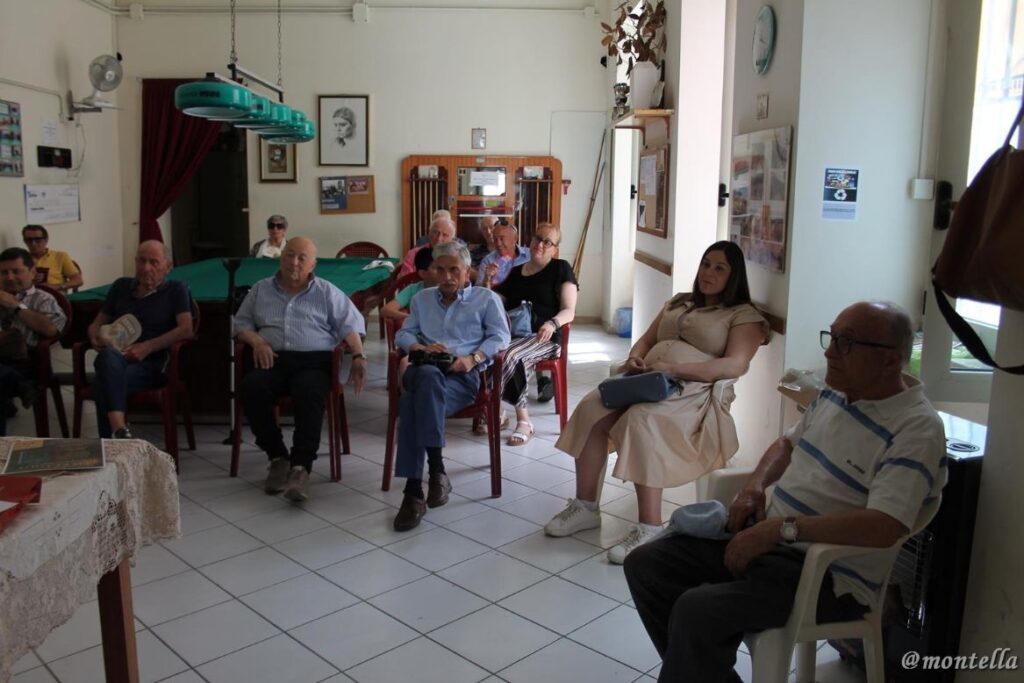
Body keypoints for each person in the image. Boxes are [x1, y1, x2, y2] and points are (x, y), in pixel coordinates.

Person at [624, 301, 946, 683]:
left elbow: (884, 526)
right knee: (647, 564)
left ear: (890, 361)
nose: (829, 351)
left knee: (698, 610)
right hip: (772, 542)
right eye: (832, 337)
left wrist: (782, 530)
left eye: (846, 343)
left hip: (829, 576)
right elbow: (787, 444)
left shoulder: (916, 430)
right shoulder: (836, 393)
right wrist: (753, 488)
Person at [544, 241, 770, 564]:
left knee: (643, 422)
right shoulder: (680, 303)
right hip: (647, 379)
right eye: (706, 264)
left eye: (720, 268)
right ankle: (585, 506)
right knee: (592, 407)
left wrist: (675, 368)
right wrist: (636, 357)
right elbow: (648, 339)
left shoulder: (742, 316)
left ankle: (649, 526)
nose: (709, 272)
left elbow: (734, 365)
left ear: (734, 277)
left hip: (691, 391)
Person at [234, 237, 367, 502]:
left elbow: (350, 325)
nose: (294, 262)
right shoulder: (261, 289)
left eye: (301, 258)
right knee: (252, 387)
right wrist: (257, 341)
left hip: (314, 361)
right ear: (281, 258)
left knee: (309, 392)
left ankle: (300, 467)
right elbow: (240, 325)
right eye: (289, 255)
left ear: (313, 264)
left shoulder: (326, 291)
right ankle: (277, 457)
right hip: (272, 358)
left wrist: (359, 356)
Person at [392, 241, 510, 531]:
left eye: (454, 270)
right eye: (440, 270)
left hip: (461, 376)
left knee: (411, 403)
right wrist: (419, 345)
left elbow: (500, 338)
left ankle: (413, 492)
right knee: (427, 374)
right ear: (432, 270)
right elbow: (403, 335)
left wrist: (472, 359)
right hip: (422, 369)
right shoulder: (422, 300)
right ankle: (436, 471)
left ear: (467, 271)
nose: (447, 277)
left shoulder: (485, 299)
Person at [87, 241, 194, 439]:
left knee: (101, 383)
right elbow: (97, 323)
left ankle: (109, 444)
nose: (146, 268)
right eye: (142, 261)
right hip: (118, 359)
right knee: (108, 358)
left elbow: (186, 329)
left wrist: (147, 347)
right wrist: (94, 334)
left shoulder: (176, 289)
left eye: (154, 262)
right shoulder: (121, 286)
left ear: (168, 266)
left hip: (152, 365)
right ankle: (119, 430)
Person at [492, 222, 577, 446]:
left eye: (547, 242)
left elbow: (569, 310)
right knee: (490, 349)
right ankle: (497, 410)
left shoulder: (561, 268)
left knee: (510, 355)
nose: (540, 244)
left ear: (554, 248)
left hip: (544, 336)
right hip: (516, 335)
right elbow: (496, 301)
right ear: (530, 240)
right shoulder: (516, 273)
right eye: (538, 238)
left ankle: (523, 421)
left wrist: (552, 323)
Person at [0, 247, 67, 435]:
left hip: (28, 362)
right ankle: (16, 383)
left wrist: (15, 306)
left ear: (32, 272)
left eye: (16, 271)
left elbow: (51, 329)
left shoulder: (43, 299)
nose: (10, 277)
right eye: (4, 272)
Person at [381, 245, 437, 323]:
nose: (444, 272)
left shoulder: (448, 290)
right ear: (423, 273)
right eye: (438, 268)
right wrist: (411, 318)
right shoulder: (413, 290)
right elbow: (386, 310)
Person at [22, 224, 82, 292]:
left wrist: (57, 287)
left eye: (38, 239)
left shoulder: (60, 256)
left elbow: (78, 280)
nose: (33, 243)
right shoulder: (21, 259)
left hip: (56, 296)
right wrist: (30, 280)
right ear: (24, 241)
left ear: (46, 240)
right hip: (31, 297)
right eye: (29, 240)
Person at [476, 221, 529, 288]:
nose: (498, 244)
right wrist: (487, 280)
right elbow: (478, 292)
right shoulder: (488, 261)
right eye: (495, 239)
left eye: (502, 238)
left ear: (515, 238)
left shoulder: (530, 255)